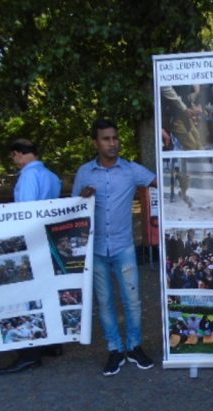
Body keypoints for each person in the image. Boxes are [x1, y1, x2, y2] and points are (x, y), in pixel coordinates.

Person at [72, 119, 157, 376]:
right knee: (105, 302)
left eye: (115, 138)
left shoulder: (131, 171)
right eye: (106, 139)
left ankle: (134, 346)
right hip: (95, 249)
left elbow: (159, 181)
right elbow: (72, 210)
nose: (112, 143)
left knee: (132, 301)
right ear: (96, 142)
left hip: (124, 247)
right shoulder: (84, 173)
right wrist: (81, 198)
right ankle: (115, 349)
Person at [0, 138, 63, 376]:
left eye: (14, 157)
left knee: (27, 297)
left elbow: (23, 213)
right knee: (47, 292)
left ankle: (29, 353)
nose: (15, 161)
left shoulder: (27, 177)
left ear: (20, 154)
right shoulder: (52, 176)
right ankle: (52, 342)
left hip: (31, 243)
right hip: (49, 241)